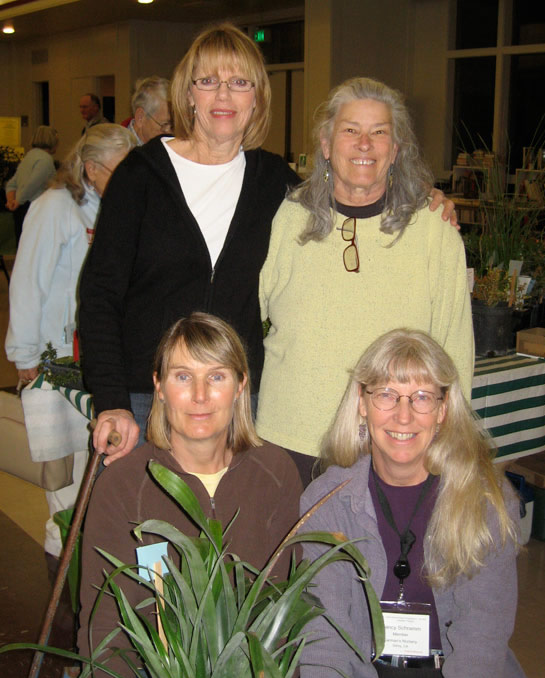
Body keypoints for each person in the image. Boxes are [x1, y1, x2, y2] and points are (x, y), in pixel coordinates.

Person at [78, 24, 456, 468]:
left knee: (234, 530)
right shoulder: (140, 176)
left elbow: (350, 196)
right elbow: (100, 294)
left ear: (256, 98)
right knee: (149, 531)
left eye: (239, 83)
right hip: (150, 397)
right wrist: (113, 400)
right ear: (188, 95)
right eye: (208, 81)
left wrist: (418, 197)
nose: (223, 96)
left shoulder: (275, 183)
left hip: (240, 404)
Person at [267, 329, 545, 678]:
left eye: (421, 396)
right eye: (386, 395)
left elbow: (481, 646)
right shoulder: (326, 501)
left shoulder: (487, 503)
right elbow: (324, 629)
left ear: (443, 410)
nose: (403, 414)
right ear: (361, 403)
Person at [78, 312, 303, 678]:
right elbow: (102, 623)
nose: (200, 397)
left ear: (241, 386)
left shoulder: (275, 472)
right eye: (184, 377)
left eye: (215, 377)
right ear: (158, 386)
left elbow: (291, 603)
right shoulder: (123, 485)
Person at [256, 77, 474, 485]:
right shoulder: (288, 217)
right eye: (350, 130)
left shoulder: (434, 230)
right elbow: (252, 312)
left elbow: (456, 349)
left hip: (390, 442)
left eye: (379, 133)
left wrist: (449, 441)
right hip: (288, 437)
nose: (364, 144)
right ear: (325, 144)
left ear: (395, 150)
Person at [5, 124, 136, 552]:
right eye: (120, 169)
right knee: (62, 480)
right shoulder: (53, 208)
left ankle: (83, 563)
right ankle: (59, 563)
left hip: (98, 359)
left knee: (93, 468)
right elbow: (28, 283)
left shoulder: (118, 208)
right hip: (54, 360)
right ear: (91, 167)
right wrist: (23, 353)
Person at [4, 124, 59, 243]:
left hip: (20, 209)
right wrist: (18, 201)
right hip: (33, 208)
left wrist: (11, 201)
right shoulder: (45, 160)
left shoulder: (29, 156)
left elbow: (11, 184)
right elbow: (33, 184)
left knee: (21, 243)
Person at [123, 75, 172, 145]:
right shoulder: (119, 152)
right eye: (165, 125)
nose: (170, 133)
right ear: (140, 117)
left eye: (173, 126)